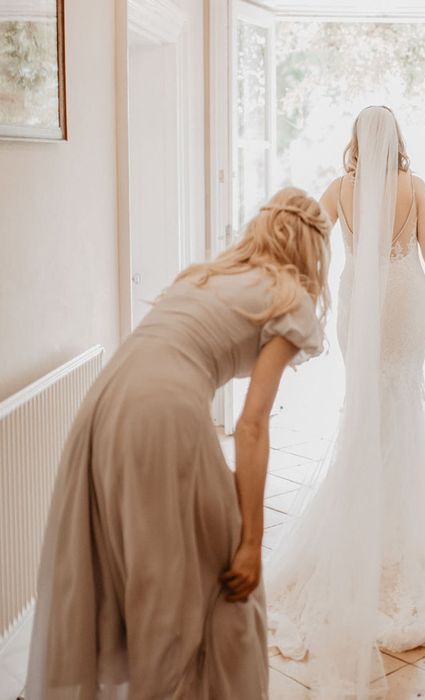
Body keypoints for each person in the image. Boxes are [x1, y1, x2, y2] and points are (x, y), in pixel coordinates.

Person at [25, 188, 331, 699]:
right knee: (221, 583)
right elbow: (252, 424)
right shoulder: (288, 298)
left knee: (148, 566)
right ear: (309, 246)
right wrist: (253, 542)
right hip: (163, 409)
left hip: (108, 399)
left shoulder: (207, 277)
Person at [267, 106, 425, 699]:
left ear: (357, 141)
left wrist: (315, 287)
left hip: (364, 310)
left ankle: (365, 516)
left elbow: (312, 237)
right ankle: (398, 530)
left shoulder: (339, 188)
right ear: (399, 141)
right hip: (409, 303)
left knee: (365, 404)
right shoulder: (416, 189)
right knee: (405, 403)